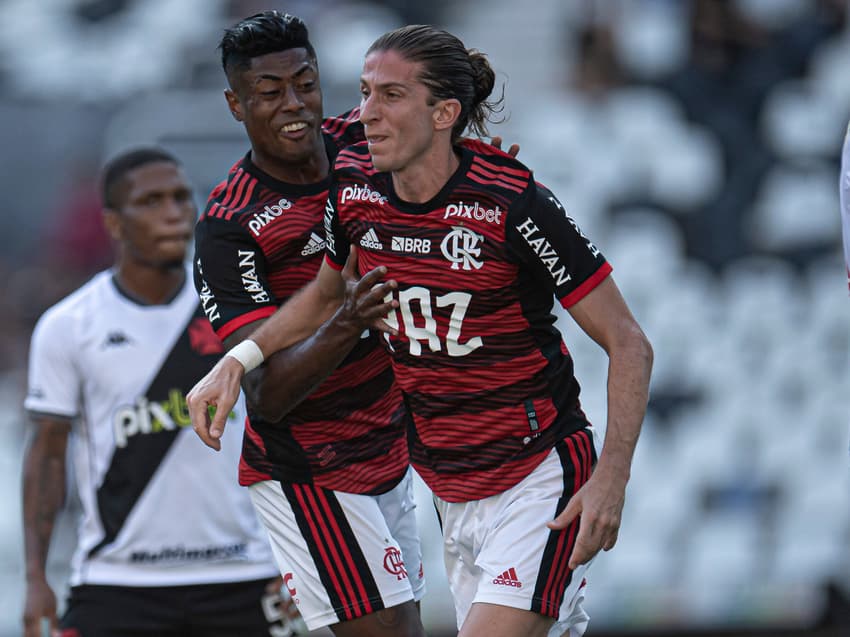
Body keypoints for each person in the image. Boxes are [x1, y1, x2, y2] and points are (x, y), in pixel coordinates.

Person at [188, 24, 653, 637]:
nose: (363, 114)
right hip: (412, 481)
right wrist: (237, 360)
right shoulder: (329, 194)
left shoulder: (504, 200)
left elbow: (629, 342)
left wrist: (611, 480)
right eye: (363, 94)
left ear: (445, 113)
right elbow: (316, 311)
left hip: (532, 470)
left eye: (307, 85)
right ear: (236, 103)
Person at [191, 12, 431, 637]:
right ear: (235, 104)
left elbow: (445, 135)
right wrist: (348, 319)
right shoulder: (229, 228)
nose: (294, 105)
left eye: (306, 83)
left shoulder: (365, 141)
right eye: (269, 94)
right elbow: (266, 398)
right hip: (308, 469)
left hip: (389, 446)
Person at [21, 147, 294, 637]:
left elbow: (288, 425)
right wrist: (37, 578)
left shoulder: (234, 304)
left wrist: (298, 557)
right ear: (113, 224)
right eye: (150, 201)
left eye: (179, 197)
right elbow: (45, 456)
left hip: (243, 575)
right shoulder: (68, 326)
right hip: (116, 581)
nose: (172, 213)